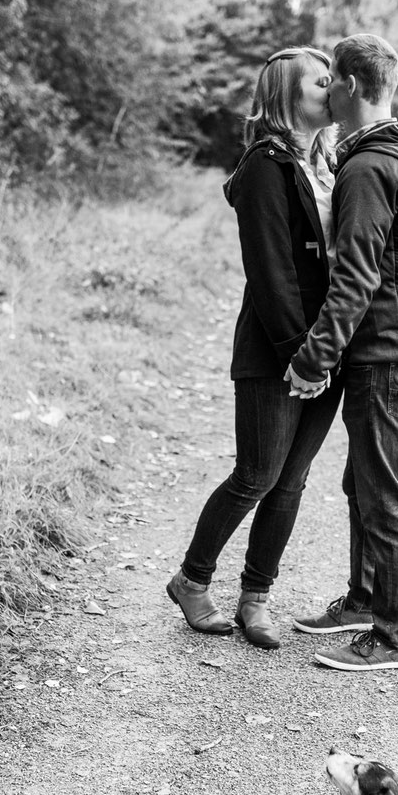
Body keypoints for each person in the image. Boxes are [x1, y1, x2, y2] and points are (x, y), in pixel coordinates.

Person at [167, 46, 341, 650]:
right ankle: (192, 580)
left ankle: (255, 596)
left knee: (291, 480)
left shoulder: (329, 161)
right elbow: (270, 270)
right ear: (287, 94)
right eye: (321, 81)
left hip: (327, 348)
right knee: (257, 473)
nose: (334, 87)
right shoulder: (266, 164)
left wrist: (327, 350)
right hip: (279, 350)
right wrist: (300, 353)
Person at [287, 33, 398, 672]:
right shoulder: (395, 155)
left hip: (389, 350)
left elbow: (357, 277)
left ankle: (392, 636)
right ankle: (363, 599)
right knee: (363, 482)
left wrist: (314, 356)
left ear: (351, 86)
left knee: (383, 492)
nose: (328, 90)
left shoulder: (368, 168)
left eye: (333, 81)